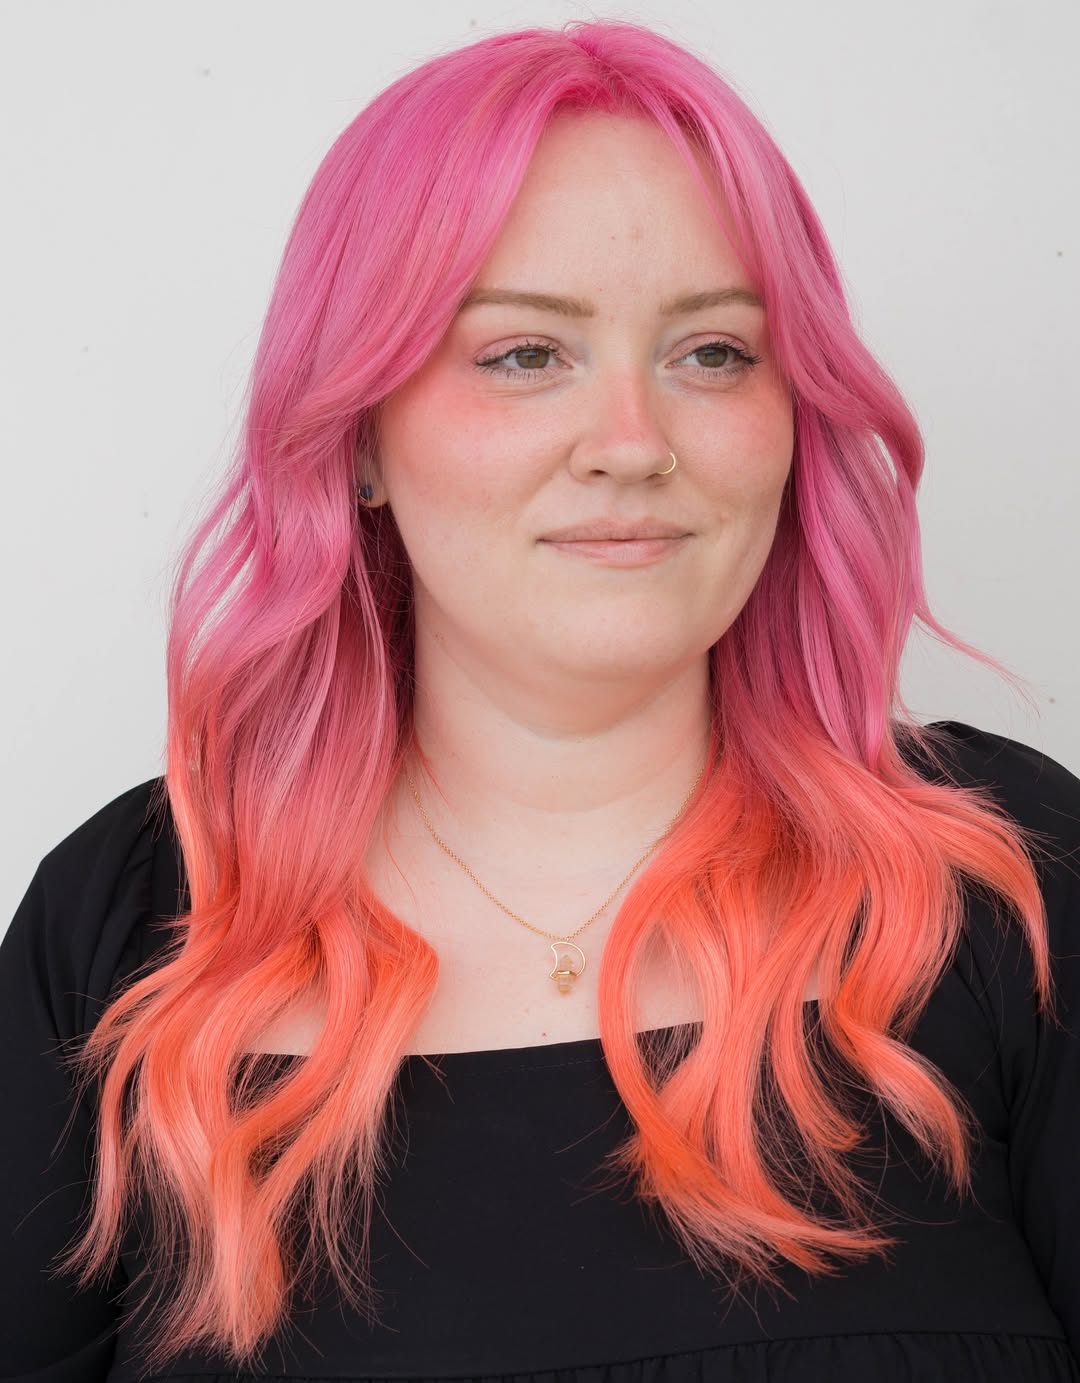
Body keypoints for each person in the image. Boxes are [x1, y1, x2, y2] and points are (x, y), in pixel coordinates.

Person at [3, 18, 1078, 1383]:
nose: (633, 443)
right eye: (525, 356)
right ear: (359, 442)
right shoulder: (133, 928)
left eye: (715, 354)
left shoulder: (1007, 880)